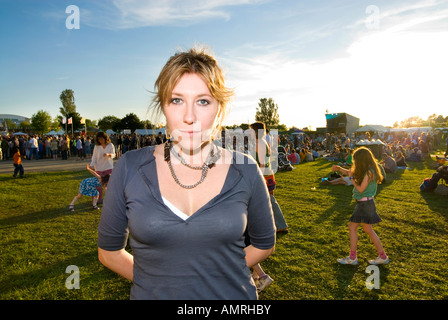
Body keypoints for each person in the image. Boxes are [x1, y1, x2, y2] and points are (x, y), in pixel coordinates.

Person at [97, 46, 276, 300]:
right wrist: (161, 284)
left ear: (219, 108)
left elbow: (264, 243)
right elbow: (109, 252)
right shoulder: (130, 167)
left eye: (203, 101)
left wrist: (216, 275)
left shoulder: (245, 169)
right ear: (163, 106)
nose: (189, 116)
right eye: (177, 100)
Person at [333, 147, 389, 266]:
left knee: (352, 227)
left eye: (355, 160)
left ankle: (352, 258)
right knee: (368, 229)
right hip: (365, 203)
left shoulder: (369, 172)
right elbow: (349, 172)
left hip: (365, 204)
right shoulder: (368, 170)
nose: (354, 162)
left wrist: (352, 180)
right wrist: (339, 169)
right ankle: (382, 256)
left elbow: (361, 189)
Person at [89, 131, 115, 203]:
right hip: (99, 168)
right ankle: (97, 200)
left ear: (105, 138)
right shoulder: (97, 146)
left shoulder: (110, 145)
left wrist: (109, 154)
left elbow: (113, 154)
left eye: (101, 139)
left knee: (109, 185)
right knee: (98, 186)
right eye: (99, 139)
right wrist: (91, 165)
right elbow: (94, 157)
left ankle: (109, 199)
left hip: (108, 167)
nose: (100, 141)